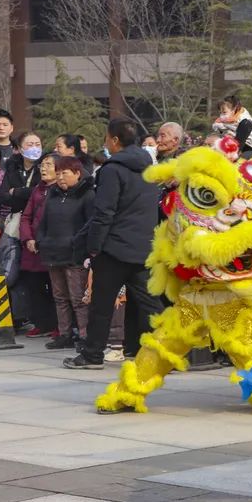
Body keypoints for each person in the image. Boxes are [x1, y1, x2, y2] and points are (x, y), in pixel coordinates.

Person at [65, 118, 164, 370]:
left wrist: (94, 246)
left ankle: (93, 354)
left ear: (115, 140)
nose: (106, 142)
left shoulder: (112, 169)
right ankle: (166, 353)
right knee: (151, 304)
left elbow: (104, 213)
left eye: (107, 138)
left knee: (102, 304)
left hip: (115, 248)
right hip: (144, 246)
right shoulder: (150, 169)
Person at [35, 156, 94, 350]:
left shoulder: (87, 194)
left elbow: (90, 223)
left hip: (74, 254)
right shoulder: (52, 194)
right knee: (60, 297)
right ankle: (64, 334)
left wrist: (77, 242)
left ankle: (85, 335)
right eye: (58, 173)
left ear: (77, 173)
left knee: (78, 298)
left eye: (65, 173)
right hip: (53, 251)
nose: (60, 177)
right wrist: (41, 239)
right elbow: (43, 222)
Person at [19, 154, 59, 338]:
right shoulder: (37, 189)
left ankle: (59, 325)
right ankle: (41, 323)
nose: (43, 168)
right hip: (32, 248)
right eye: (42, 165)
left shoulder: (61, 190)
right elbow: (26, 216)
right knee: (34, 287)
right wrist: (28, 238)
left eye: (49, 165)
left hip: (50, 247)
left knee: (56, 289)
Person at [0, 132, 44, 216]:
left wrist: (17, 192)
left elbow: (42, 193)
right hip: (17, 214)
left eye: (38, 144)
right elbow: (3, 195)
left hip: (38, 215)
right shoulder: (12, 166)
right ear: (20, 148)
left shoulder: (46, 166)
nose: (34, 148)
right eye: (30, 145)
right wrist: (27, 196)